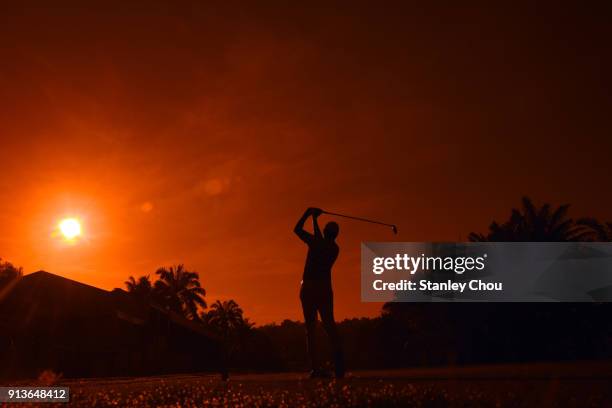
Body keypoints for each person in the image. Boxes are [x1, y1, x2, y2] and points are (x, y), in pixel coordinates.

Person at [294, 207, 344, 378]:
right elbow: (319, 240)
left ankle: (316, 368)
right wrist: (314, 218)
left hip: (309, 287)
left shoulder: (320, 244)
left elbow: (297, 229)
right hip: (323, 288)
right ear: (335, 234)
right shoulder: (335, 248)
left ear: (325, 231)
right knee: (329, 326)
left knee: (311, 329)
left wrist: (308, 214)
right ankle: (338, 367)